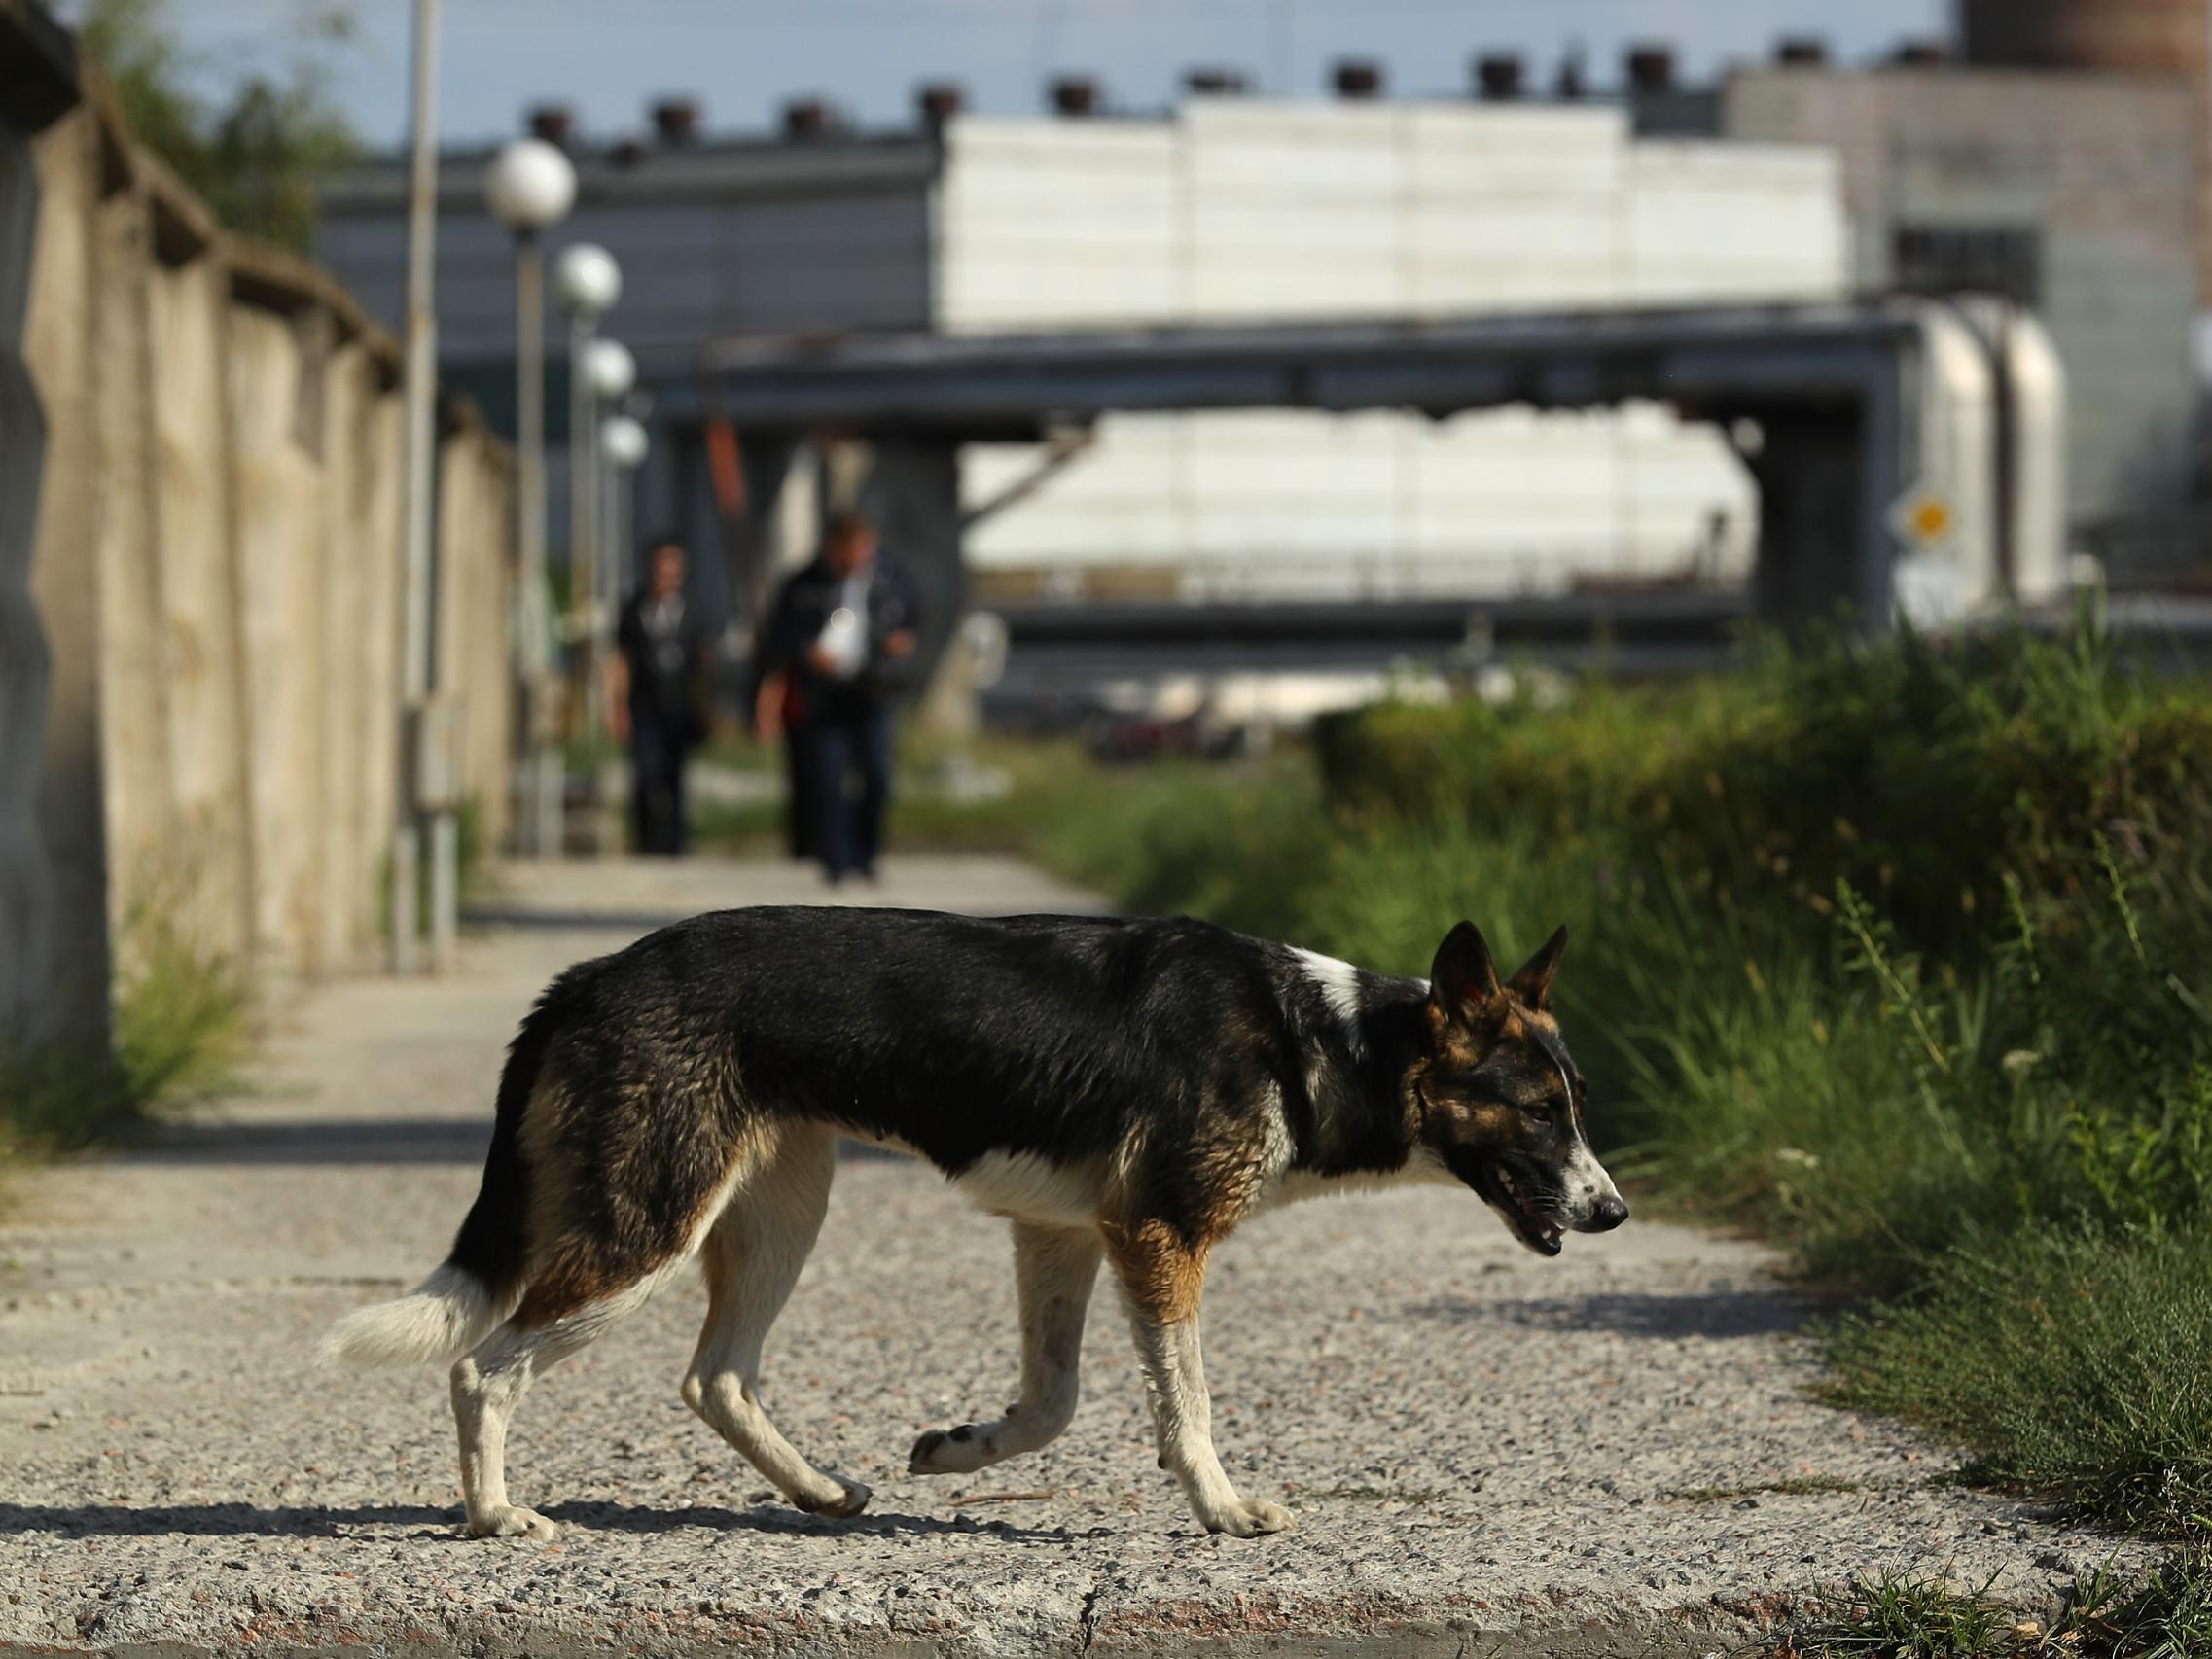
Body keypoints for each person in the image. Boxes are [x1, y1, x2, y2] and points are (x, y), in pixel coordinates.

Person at [756, 512, 919, 884]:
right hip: (824, 696)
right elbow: (779, 638)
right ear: (832, 548)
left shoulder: (892, 579)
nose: (856, 559)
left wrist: (900, 641)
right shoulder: (802, 584)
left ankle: (866, 852)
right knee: (827, 779)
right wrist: (807, 653)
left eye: (863, 549)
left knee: (876, 774)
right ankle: (835, 858)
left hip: (874, 691)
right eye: (848, 551)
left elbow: (911, 618)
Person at [609, 536, 707, 856]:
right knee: (645, 772)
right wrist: (618, 706)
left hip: (680, 705)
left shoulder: (694, 609)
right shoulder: (633, 608)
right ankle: (646, 841)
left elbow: (706, 659)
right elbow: (621, 659)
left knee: (676, 773)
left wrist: (707, 704)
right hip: (644, 705)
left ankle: (677, 842)